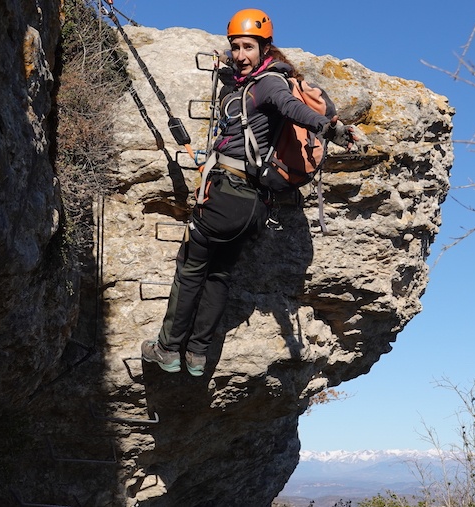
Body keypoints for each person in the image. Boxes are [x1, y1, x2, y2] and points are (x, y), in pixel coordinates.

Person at [141, 8, 355, 376]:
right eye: (235, 47)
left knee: (191, 269)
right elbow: (244, 88)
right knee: (220, 274)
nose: (240, 55)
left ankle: (168, 349)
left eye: (247, 47)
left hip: (225, 196)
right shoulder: (251, 82)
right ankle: (196, 356)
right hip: (253, 207)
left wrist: (327, 127)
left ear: (265, 47)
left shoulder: (269, 84)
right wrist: (226, 66)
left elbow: (291, 108)